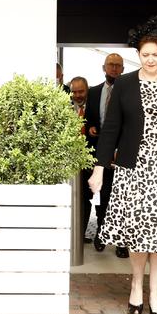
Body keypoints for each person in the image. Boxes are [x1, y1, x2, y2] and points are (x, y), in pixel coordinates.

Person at [89, 16, 157, 314]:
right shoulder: (124, 84)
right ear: (138, 55)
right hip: (135, 168)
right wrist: (99, 169)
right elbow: (110, 130)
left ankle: (156, 295)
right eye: (145, 55)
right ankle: (137, 284)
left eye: (156, 55)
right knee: (139, 233)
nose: (150, 60)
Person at [86, 53, 129, 258]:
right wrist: (91, 127)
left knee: (122, 197)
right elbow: (88, 119)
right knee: (103, 196)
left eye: (117, 65)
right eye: (110, 65)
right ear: (104, 67)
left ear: (122, 69)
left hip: (123, 151)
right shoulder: (93, 92)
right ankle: (102, 234)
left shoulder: (129, 91)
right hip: (99, 149)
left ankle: (122, 241)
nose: (114, 68)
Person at [70, 76, 93, 239]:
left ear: (87, 90)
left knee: (85, 198)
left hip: (90, 159)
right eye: (74, 92)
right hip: (70, 161)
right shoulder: (64, 108)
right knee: (72, 198)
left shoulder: (94, 106)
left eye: (81, 91)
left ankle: (81, 233)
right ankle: (71, 233)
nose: (77, 95)